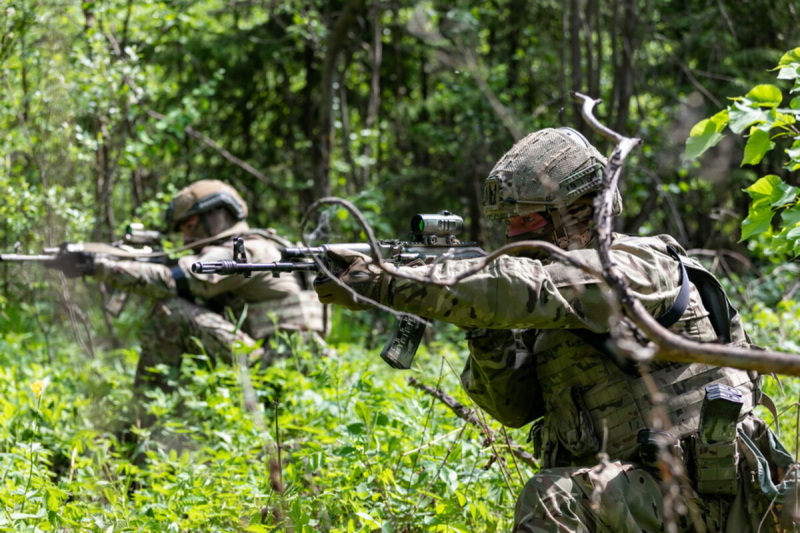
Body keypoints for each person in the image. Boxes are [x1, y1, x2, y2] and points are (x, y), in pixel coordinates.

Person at [313, 128, 798, 532]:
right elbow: (512, 408)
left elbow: (544, 287)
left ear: (580, 211)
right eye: (509, 222)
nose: (513, 235)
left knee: (553, 498)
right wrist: (483, 328)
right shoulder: (540, 301)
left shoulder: (642, 264)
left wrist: (397, 283)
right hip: (643, 494)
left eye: (529, 220)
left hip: (716, 500)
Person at [47, 179, 327, 417]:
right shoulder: (267, 244)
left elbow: (172, 281)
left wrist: (96, 265)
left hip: (270, 366)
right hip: (299, 367)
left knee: (171, 311)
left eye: (190, 226)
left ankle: (145, 423)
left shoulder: (237, 251)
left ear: (215, 217)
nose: (185, 236)